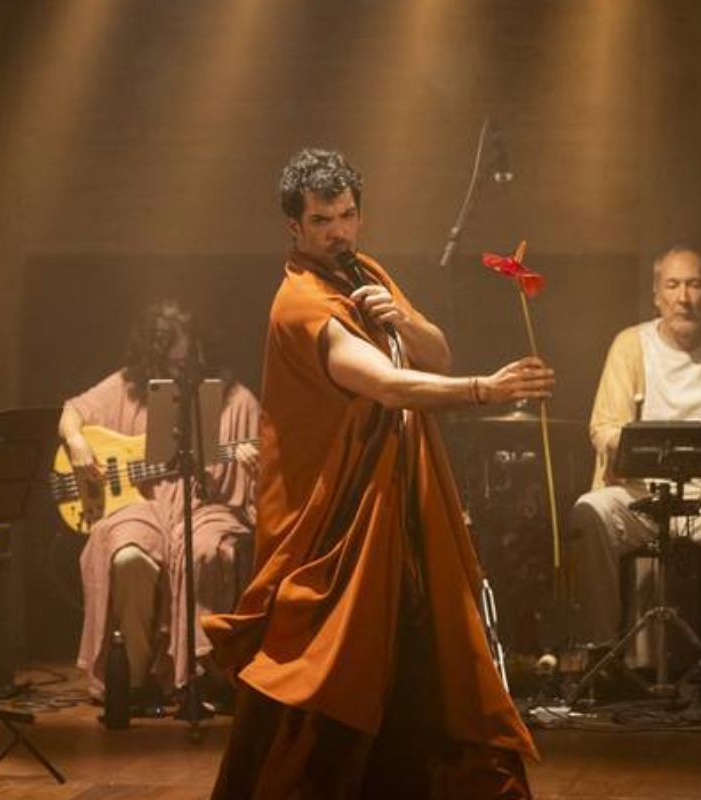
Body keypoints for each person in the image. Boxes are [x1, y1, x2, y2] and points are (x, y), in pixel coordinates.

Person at [204, 148, 554, 798]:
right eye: (322, 221)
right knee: (329, 662)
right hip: (332, 512)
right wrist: (485, 389)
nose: (338, 231)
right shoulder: (300, 302)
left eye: (346, 215)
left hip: (392, 496)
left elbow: (435, 353)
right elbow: (388, 386)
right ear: (295, 227)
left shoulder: (365, 272)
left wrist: (405, 318)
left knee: (412, 643)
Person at [568, 245, 701, 685]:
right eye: (673, 285)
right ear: (657, 296)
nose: (684, 297)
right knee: (590, 511)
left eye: (694, 285)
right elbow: (602, 427)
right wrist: (639, 446)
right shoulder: (629, 344)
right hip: (643, 493)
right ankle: (601, 656)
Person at [58, 299, 261, 703]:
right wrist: (77, 442)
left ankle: (203, 673)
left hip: (206, 507)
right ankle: (133, 679)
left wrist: (247, 459)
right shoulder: (126, 386)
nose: (179, 365)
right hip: (139, 506)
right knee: (128, 559)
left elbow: (263, 463)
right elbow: (72, 411)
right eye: (170, 357)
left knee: (206, 552)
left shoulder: (233, 397)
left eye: (186, 355)